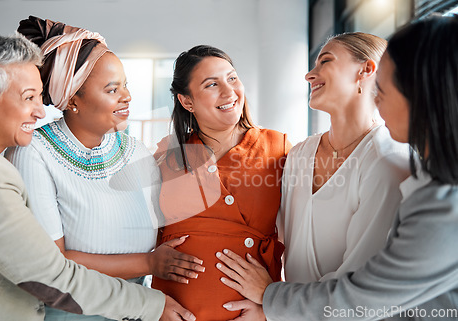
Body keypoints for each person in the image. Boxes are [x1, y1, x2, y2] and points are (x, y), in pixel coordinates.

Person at [217, 14, 458, 321]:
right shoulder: (298, 153)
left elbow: (360, 299)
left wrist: (270, 300)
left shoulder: (405, 175)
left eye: (389, 79)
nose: (380, 89)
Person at [0, 32, 195, 321]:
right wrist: (151, 304)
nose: (40, 110)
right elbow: (50, 274)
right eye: (28, 97)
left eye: (38, 96)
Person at [151, 45, 291, 321]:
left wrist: (270, 308)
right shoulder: (165, 158)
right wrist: (156, 304)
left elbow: (301, 238)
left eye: (232, 78)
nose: (229, 92)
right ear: (187, 101)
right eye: (212, 84)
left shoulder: (279, 148)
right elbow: (143, 245)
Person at [280, 31, 410, 285]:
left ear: (366, 70)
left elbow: (357, 279)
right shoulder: (298, 154)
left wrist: (270, 300)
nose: (309, 74)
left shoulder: (387, 160)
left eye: (325, 61)